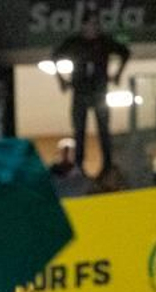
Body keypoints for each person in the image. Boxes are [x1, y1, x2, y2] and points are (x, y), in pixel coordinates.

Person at [51, 11, 131, 178]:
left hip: (99, 91)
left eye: (97, 25)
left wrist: (117, 74)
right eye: (91, 24)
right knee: (79, 131)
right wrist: (62, 81)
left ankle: (107, 165)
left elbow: (125, 52)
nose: (94, 28)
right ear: (84, 25)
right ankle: (79, 165)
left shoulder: (105, 42)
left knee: (103, 130)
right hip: (80, 91)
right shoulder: (75, 42)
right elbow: (55, 56)